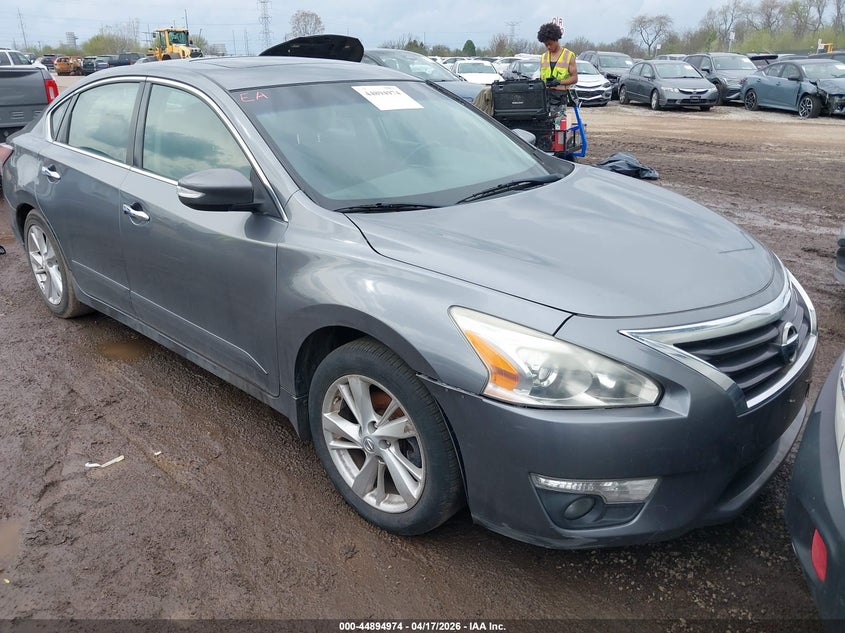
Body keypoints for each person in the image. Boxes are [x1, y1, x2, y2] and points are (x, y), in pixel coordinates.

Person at [537, 22, 578, 117]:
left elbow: (574, 78)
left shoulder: (568, 55)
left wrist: (559, 82)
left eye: (550, 44)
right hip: (545, 97)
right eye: (545, 45)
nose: (548, 47)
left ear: (556, 40)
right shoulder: (543, 57)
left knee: (558, 126)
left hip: (560, 98)